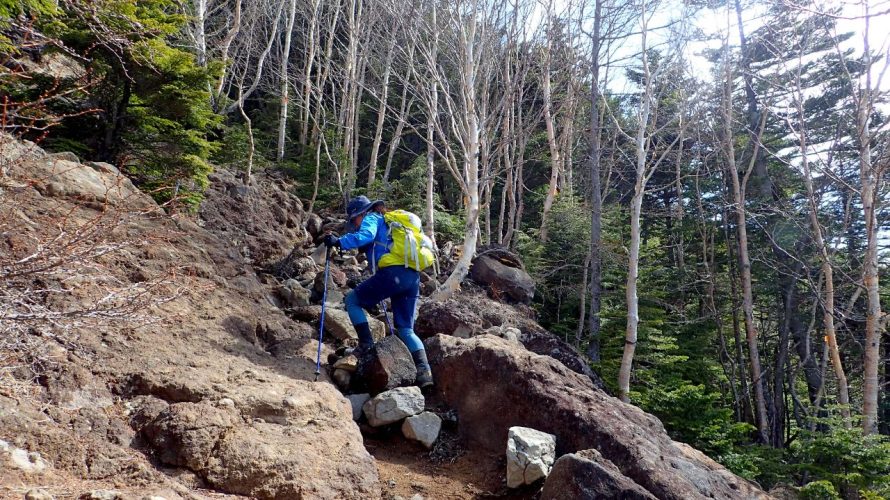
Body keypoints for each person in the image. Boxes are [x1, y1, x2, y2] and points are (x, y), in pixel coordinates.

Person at [322, 195, 434, 388]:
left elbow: (364, 236)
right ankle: (425, 374)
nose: (355, 224)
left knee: (352, 301)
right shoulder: (392, 223)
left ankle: (366, 344)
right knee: (406, 329)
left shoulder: (372, 218)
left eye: (354, 219)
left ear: (361, 213)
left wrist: (339, 241)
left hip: (393, 274)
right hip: (412, 276)